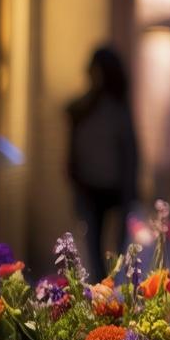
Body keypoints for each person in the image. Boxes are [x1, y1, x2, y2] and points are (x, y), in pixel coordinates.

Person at [66, 45, 139, 282]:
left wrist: (130, 191)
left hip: (113, 189)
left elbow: (130, 154)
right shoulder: (85, 108)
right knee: (94, 254)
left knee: (113, 253)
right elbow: (73, 151)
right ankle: (100, 293)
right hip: (89, 188)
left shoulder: (116, 109)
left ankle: (108, 293)